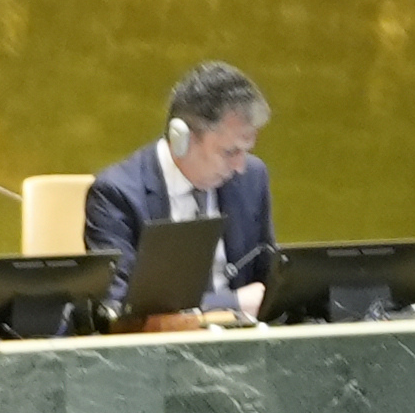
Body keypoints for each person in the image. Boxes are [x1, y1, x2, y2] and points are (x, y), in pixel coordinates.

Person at [80, 62, 276, 317]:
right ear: (181, 138)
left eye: (246, 151)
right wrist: (231, 303)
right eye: (230, 152)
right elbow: (117, 307)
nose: (240, 166)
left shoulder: (252, 177)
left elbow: (270, 276)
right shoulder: (116, 194)